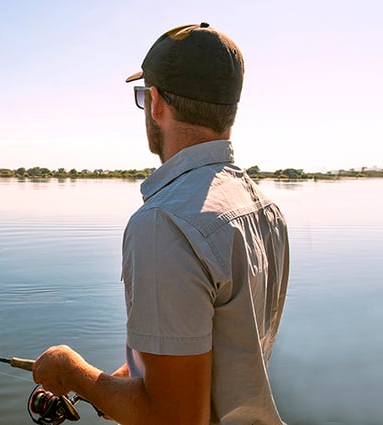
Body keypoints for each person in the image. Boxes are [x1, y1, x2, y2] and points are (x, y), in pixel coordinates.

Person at [32, 22, 289, 425]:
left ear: (155, 103)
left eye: (142, 96)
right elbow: (224, 352)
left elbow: (175, 418)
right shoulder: (265, 210)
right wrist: (132, 376)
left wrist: (71, 371)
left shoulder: (162, 223)